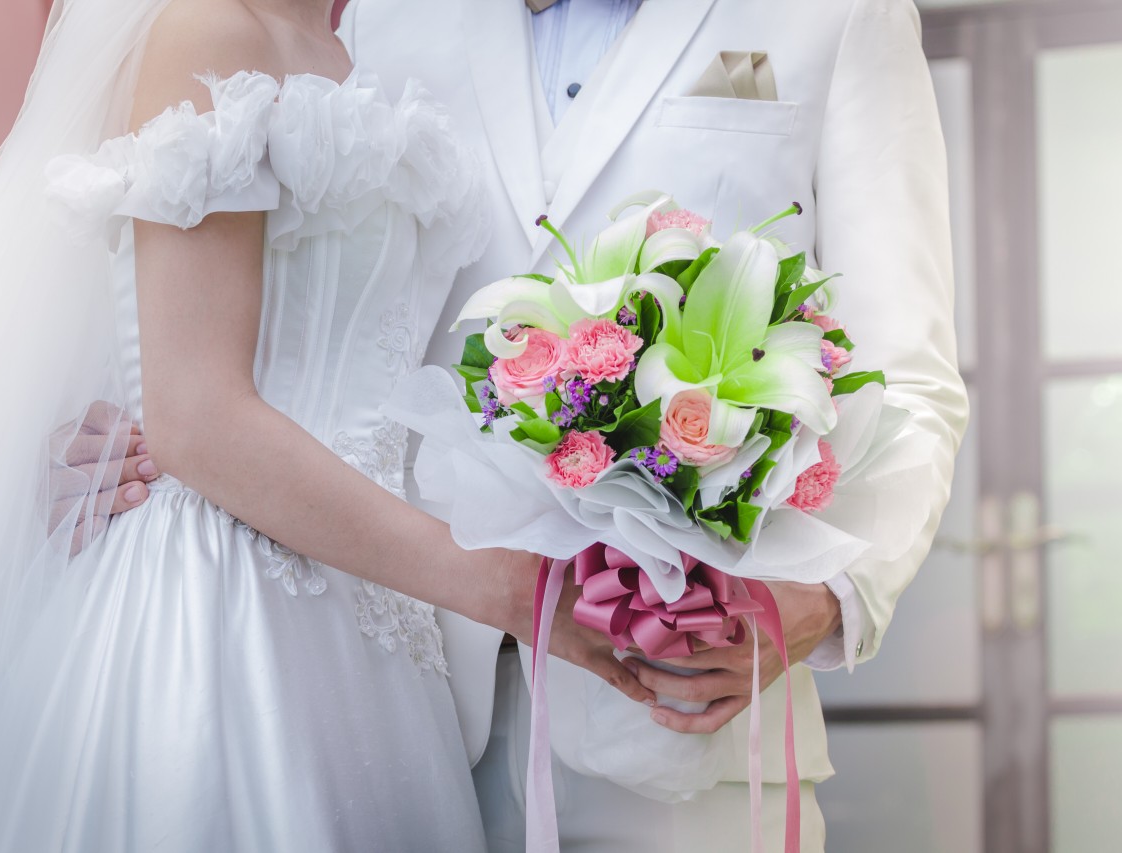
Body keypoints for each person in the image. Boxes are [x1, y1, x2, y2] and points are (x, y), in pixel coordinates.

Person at [0, 0, 651, 850]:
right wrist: (500, 584)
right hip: (220, 611)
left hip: (372, 618)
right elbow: (196, 418)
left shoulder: (350, 44)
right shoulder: (205, 30)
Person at [330, 0, 971, 850]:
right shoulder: (380, 19)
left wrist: (833, 595)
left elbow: (910, 375)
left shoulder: (838, 14)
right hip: (397, 717)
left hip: (687, 724)